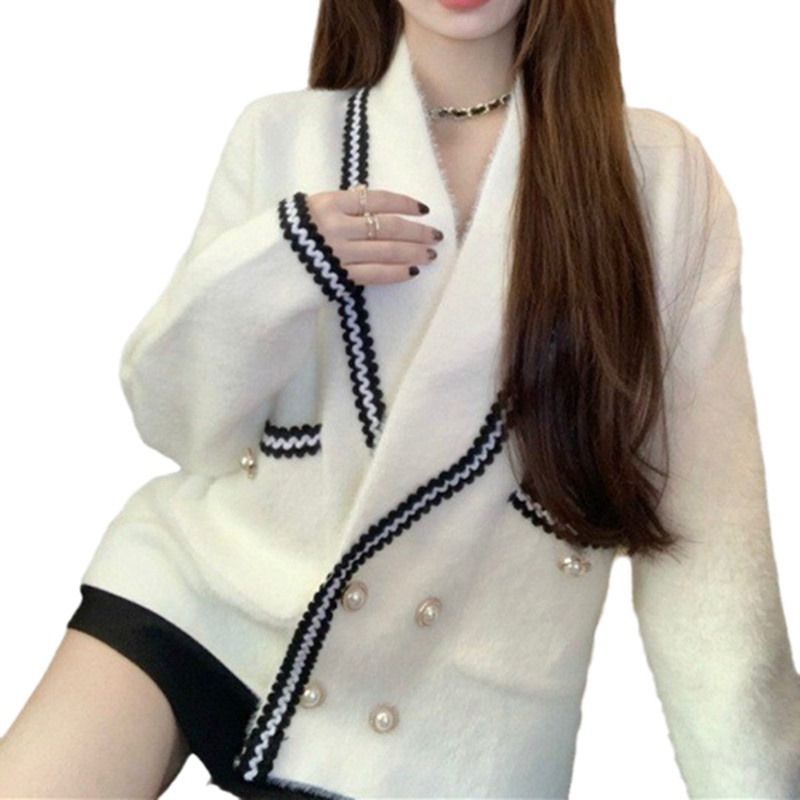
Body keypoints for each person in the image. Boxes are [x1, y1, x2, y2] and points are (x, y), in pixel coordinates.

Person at [1, 0, 799, 798]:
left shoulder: (655, 174)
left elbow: (709, 529)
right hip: (206, 596)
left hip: (452, 718)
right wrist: (282, 261)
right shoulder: (283, 134)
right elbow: (180, 426)